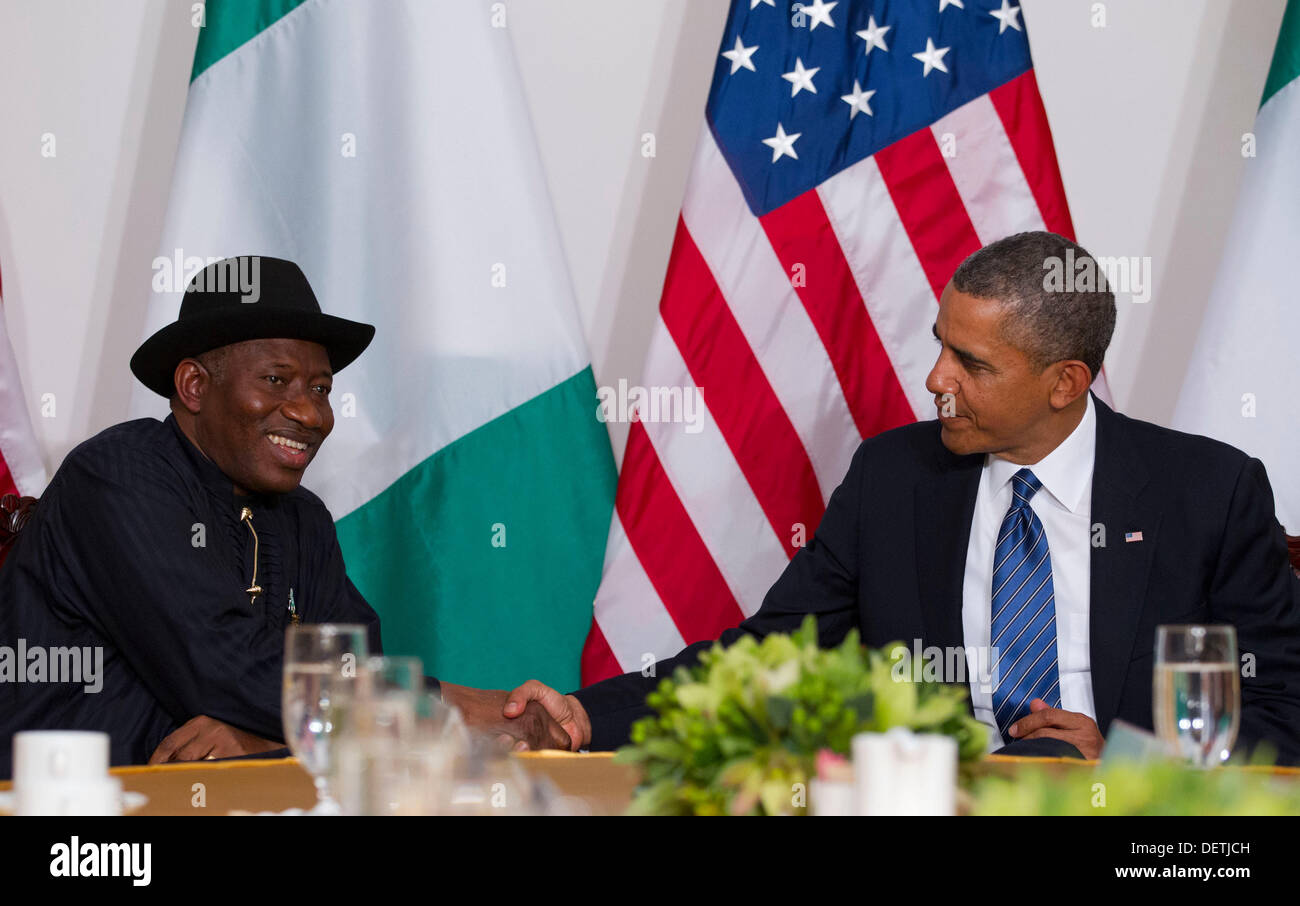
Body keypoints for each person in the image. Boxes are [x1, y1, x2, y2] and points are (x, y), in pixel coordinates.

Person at [504, 231, 1300, 762]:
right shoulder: (895, 477)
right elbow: (767, 656)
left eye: (973, 365)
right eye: (939, 348)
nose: (935, 382)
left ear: (1067, 383)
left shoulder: (1208, 491)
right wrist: (587, 717)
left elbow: (1279, 707)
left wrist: (1121, 756)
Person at [0, 256, 567, 776]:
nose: (309, 413)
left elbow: (351, 671)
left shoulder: (303, 519)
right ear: (194, 385)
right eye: (277, 381)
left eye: (320, 389)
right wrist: (463, 708)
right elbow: (220, 667)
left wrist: (261, 742)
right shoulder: (119, 475)